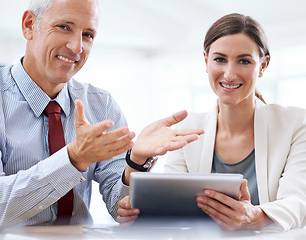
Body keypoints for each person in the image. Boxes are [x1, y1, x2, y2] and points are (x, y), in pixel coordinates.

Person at [0, 0, 204, 231]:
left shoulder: (101, 105)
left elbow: (120, 209)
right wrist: (73, 159)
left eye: (87, 35)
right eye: (64, 27)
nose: (77, 47)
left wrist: (135, 162)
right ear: (29, 25)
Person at [117, 13, 306, 232]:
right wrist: (141, 211)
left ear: (263, 65)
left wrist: (254, 217)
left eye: (244, 61)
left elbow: (298, 201)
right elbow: (173, 205)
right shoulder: (187, 130)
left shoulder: (296, 124)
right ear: (206, 61)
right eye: (220, 59)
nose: (230, 74)